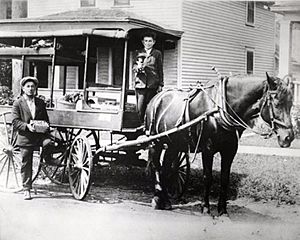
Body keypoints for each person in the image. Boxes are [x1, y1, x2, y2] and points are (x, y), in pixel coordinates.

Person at [11, 76, 59, 200]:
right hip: (26, 137)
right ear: (23, 88)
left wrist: (45, 126)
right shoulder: (18, 103)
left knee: (49, 143)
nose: (31, 89)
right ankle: (26, 189)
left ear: (36, 88)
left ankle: (47, 159)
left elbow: (46, 120)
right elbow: (15, 122)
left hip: (39, 136)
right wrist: (27, 126)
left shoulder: (40, 102)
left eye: (33, 86)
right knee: (27, 161)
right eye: (28, 86)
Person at [133, 31, 164, 122]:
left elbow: (160, 69)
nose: (148, 43)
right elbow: (134, 67)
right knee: (140, 108)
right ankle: (139, 126)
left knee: (151, 107)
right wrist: (138, 68)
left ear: (154, 42)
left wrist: (161, 84)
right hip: (140, 85)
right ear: (143, 42)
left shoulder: (157, 53)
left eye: (150, 41)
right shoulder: (138, 52)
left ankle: (149, 127)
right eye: (146, 41)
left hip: (152, 85)